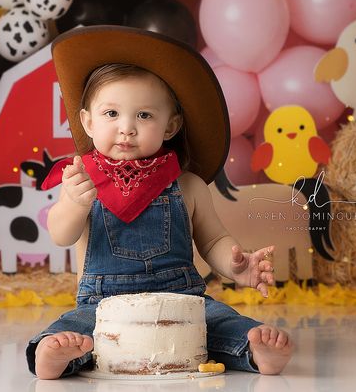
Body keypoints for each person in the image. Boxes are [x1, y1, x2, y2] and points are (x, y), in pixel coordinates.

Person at [26, 26, 293, 379]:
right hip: (102, 304)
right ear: (87, 122)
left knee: (221, 321)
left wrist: (236, 265)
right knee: (75, 328)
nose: (127, 128)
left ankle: (255, 351)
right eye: (111, 114)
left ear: (171, 126)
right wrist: (74, 204)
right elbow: (61, 233)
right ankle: (58, 356)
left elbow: (213, 240)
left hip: (183, 300)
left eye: (144, 115)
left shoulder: (188, 185)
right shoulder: (82, 180)